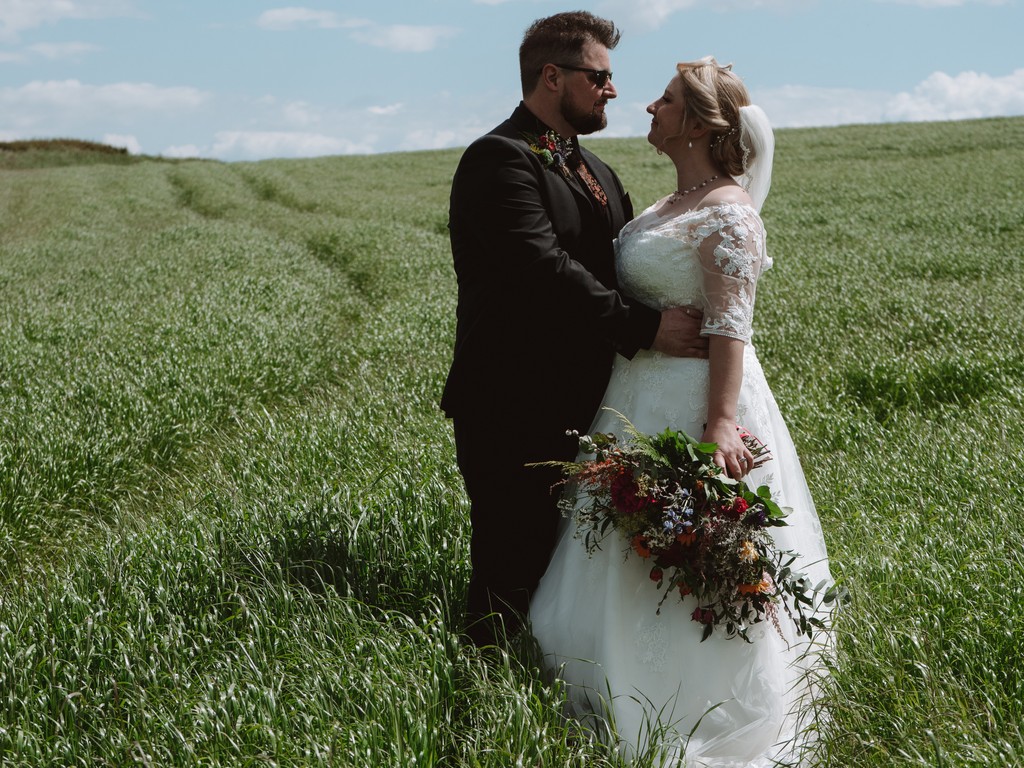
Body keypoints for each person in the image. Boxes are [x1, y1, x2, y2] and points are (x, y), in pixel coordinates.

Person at [529, 57, 835, 765]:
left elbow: (731, 328)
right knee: (624, 544)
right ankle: (609, 692)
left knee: (695, 549)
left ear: (697, 122)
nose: (648, 109)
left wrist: (720, 425)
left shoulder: (728, 211)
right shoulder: (667, 206)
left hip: (699, 404)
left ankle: (699, 707)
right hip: (635, 396)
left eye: (665, 101)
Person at [441, 11, 707, 648]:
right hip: (513, 401)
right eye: (600, 76)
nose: (612, 90)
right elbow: (540, 268)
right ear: (552, 76)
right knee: (510, 562)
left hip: (595, 399)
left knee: (575, 568)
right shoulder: (497, 159)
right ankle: (479, 701)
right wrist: (646, 329)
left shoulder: (598, 170)